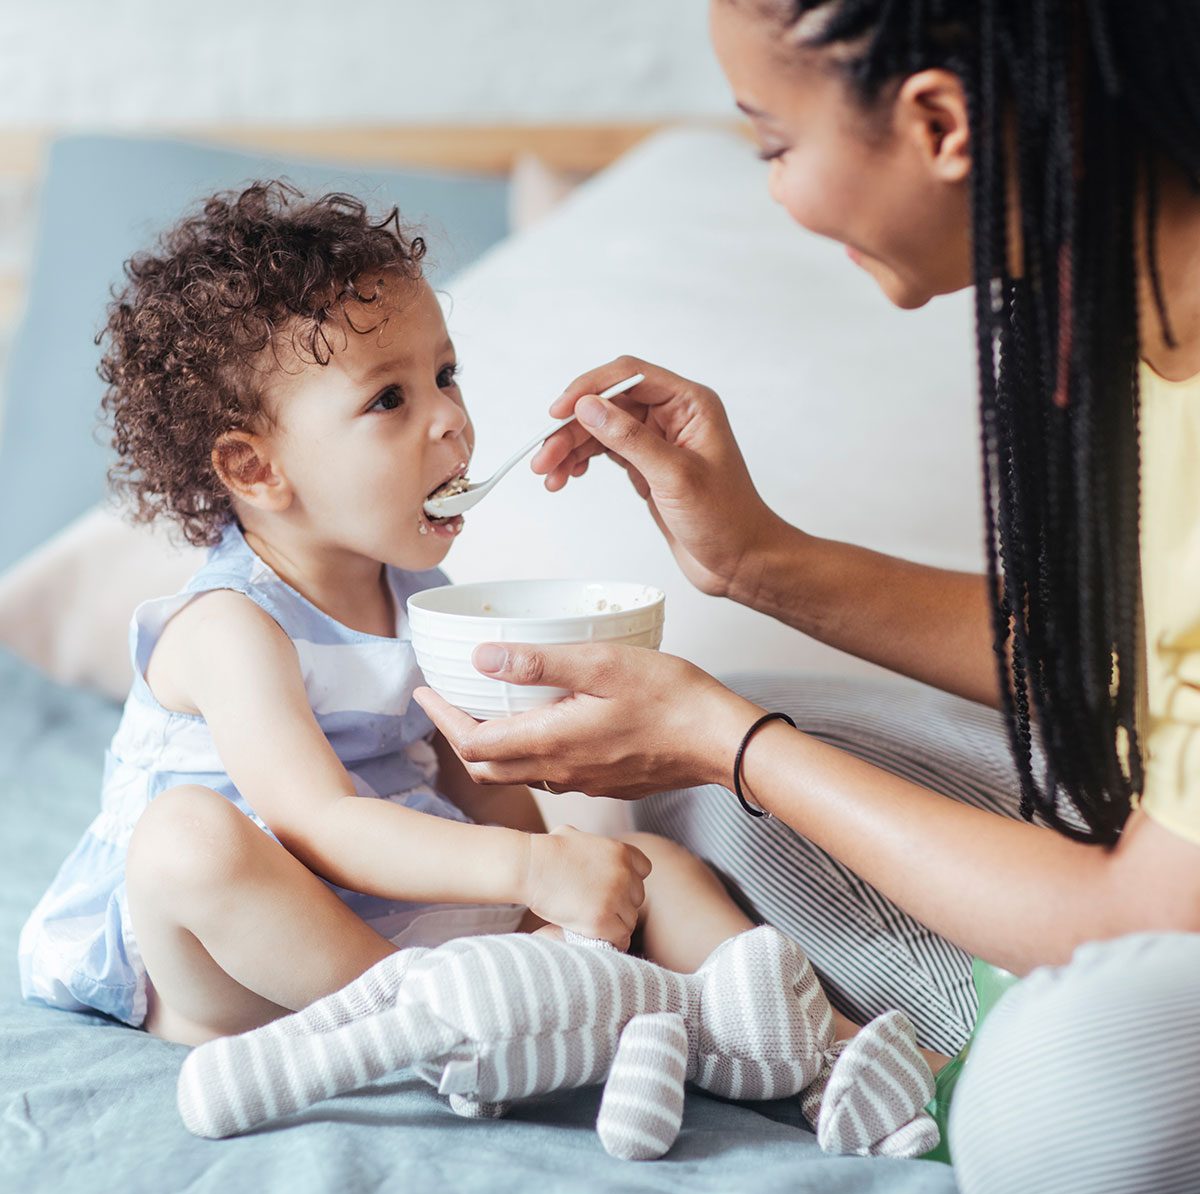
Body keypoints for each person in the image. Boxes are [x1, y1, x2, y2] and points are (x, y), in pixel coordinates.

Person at [413, 3, 1200, 1194]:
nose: (773, 187)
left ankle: (986, 1031)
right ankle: (980, 978)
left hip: (1154, 916)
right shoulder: (1139, 326)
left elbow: (1146, 917)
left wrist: (726, 742)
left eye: (773, 143)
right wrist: (752, 561)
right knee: (720, 787)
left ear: (940, 122)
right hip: (1160, 867)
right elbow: (1129, 665)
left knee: (1067, 1103)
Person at [15, 182, 792, 1051]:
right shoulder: (229, 627)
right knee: (184, 843)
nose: (452, 419)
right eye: (390, 399)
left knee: (659, 873)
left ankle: (823, 1050)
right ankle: (437, 1027)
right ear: (256, 468)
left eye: (446, 375)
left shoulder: (419, 595)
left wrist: (552, 889)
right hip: (245, 961)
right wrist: (529, 871)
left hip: (400, 918)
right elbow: (321, 821)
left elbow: (465, 769)